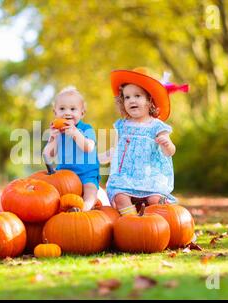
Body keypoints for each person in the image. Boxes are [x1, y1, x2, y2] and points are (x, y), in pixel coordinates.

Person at [103, 67, 188, 216]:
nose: (132, 100)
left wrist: (167, 144)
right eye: (127, 97)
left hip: (151, 177)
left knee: (155, 199)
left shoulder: (156, 126)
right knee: (120, 197)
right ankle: (132, 223)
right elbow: (117, 148)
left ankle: (155, 224)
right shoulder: (122, 125)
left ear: (149, 100)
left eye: (137, 96)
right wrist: (103, 157)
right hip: (126, 177)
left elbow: (169, 152)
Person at [43, 86, 100, 211]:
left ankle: (84, 207)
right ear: (55, 113)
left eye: (73, 109)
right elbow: (49, 154)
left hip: (86, 173)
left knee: (90, 191)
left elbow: (88, 147)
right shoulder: (56, 131)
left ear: (82, 113)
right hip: (65, 174)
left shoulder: (86, 129)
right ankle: (57, 210)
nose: (67, 112)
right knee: (54, 193)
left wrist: (75, 133)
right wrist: (52, 139)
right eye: (62, 109)